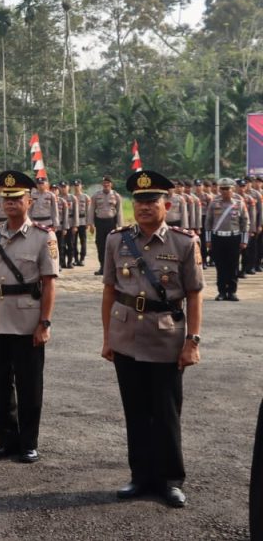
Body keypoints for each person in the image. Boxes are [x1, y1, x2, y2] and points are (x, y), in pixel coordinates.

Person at [100, 170, 203, 508]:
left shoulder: (184, 242)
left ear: (167, 204)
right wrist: (107, 338)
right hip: (126, 335)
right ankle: (140, 476)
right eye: (139, 201)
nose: (144, 207)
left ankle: (171, 480)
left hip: (166, 339)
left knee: (166, 412)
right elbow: (110, 292)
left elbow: (194, 294)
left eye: (152, 201)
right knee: (136, 411)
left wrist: (193, 341)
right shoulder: (117, 240)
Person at [0, 171, 58, 464]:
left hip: (27, 321)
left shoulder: (42, 237)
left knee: (28, 384)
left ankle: (28, 442)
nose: (10, 203)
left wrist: (44, 323)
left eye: (16, 199)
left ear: (29, 201)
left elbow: (49, 283)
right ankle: (6, 440)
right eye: (6, 198)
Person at [204, 178, 248, 301]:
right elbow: (208, 222)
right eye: (222, 188)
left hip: (234, 237)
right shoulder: (214, 203)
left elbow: (245, 222)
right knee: (220, 266)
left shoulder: (239, 203)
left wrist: (244, 240)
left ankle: (232, 291)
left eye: (227, 188)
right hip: (218, 238)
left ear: (232, 189)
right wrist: (208, 240)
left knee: (233, 265)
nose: (224, 191)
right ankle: (222, 292)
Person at [91, 175, 125, 275]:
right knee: (100, 245)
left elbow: (119, 212)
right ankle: (102, 266)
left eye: (108, 183)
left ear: (111, 184)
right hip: (100, 223)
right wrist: (91, 224)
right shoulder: (96, 196)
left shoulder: (116, 196)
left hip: (111, 223)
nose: (106, 185)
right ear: (102, 184)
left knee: (112, 245)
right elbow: (91, 210)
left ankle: (112, 267)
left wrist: (120, 226)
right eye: (104, 183)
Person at [72, 180, 91, 266]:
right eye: (75, 185)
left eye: (78, 185)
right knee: (74, 241)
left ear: (81, 186)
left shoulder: (85, 197)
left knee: (83, 241)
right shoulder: (71, 197)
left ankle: (82, 258)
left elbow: (88, 210)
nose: (76, 187)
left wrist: (88, 222)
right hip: (73, 222)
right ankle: (75, 259)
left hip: (83, 220)